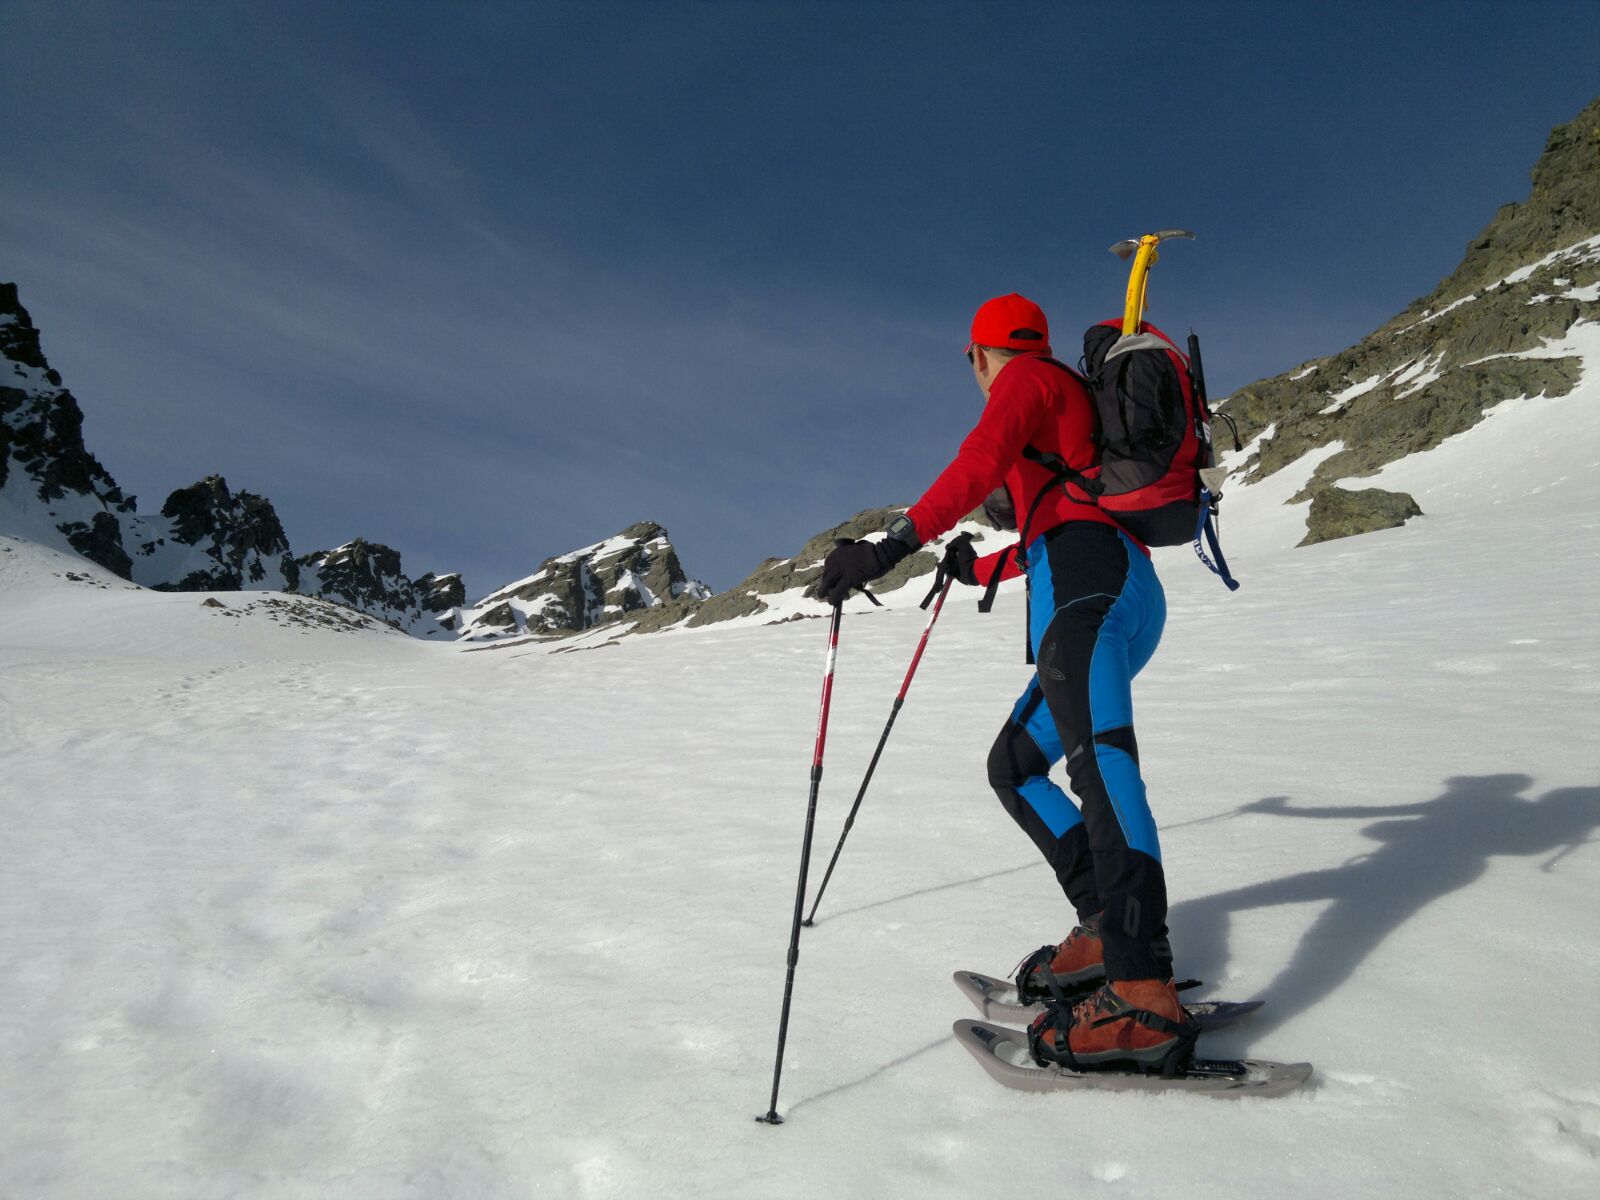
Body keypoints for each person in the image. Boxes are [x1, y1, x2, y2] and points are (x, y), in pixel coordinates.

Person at [816, 293, 1195, 1073]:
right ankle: (1104, 926)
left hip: (1090, 590)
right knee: (1015, 765)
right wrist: (976, 567)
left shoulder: (1027, 378)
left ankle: (1141, 992)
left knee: (1101, 764)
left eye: (972, 361)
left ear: (980, 354)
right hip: (1101, 579)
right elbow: (1055, 525)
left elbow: (979, 460)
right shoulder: (1063, 404)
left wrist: (890, 547)